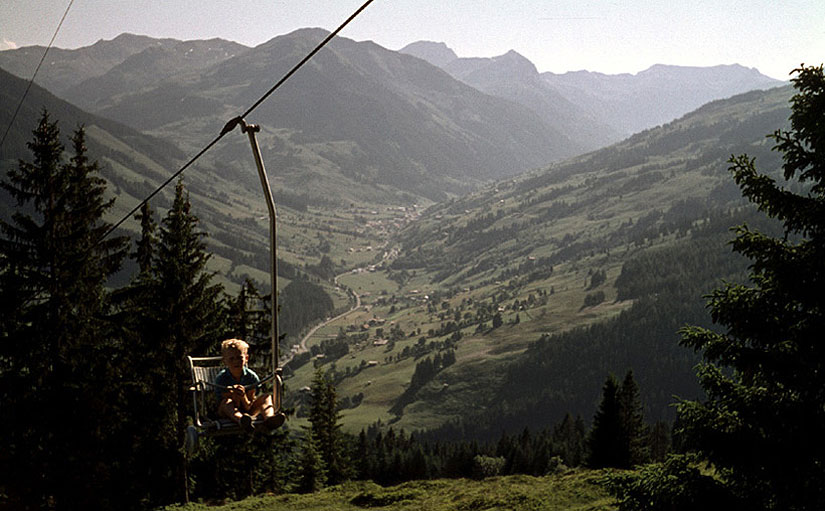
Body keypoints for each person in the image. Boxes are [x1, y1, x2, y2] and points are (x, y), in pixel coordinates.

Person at [215, 338, 284, 432]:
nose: (236, 361)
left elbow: (249, 405)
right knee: (227, 402)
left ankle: (270, 418)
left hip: (248, 409)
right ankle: (241, 420)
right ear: (225, 361)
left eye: (239, 358)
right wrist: (232, 394)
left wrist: (243, 396)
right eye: (231, 359)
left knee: (266, 397)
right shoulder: (221, 379)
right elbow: (221, 402)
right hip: (227, 411)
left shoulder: (251, 377)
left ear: (246, 358)